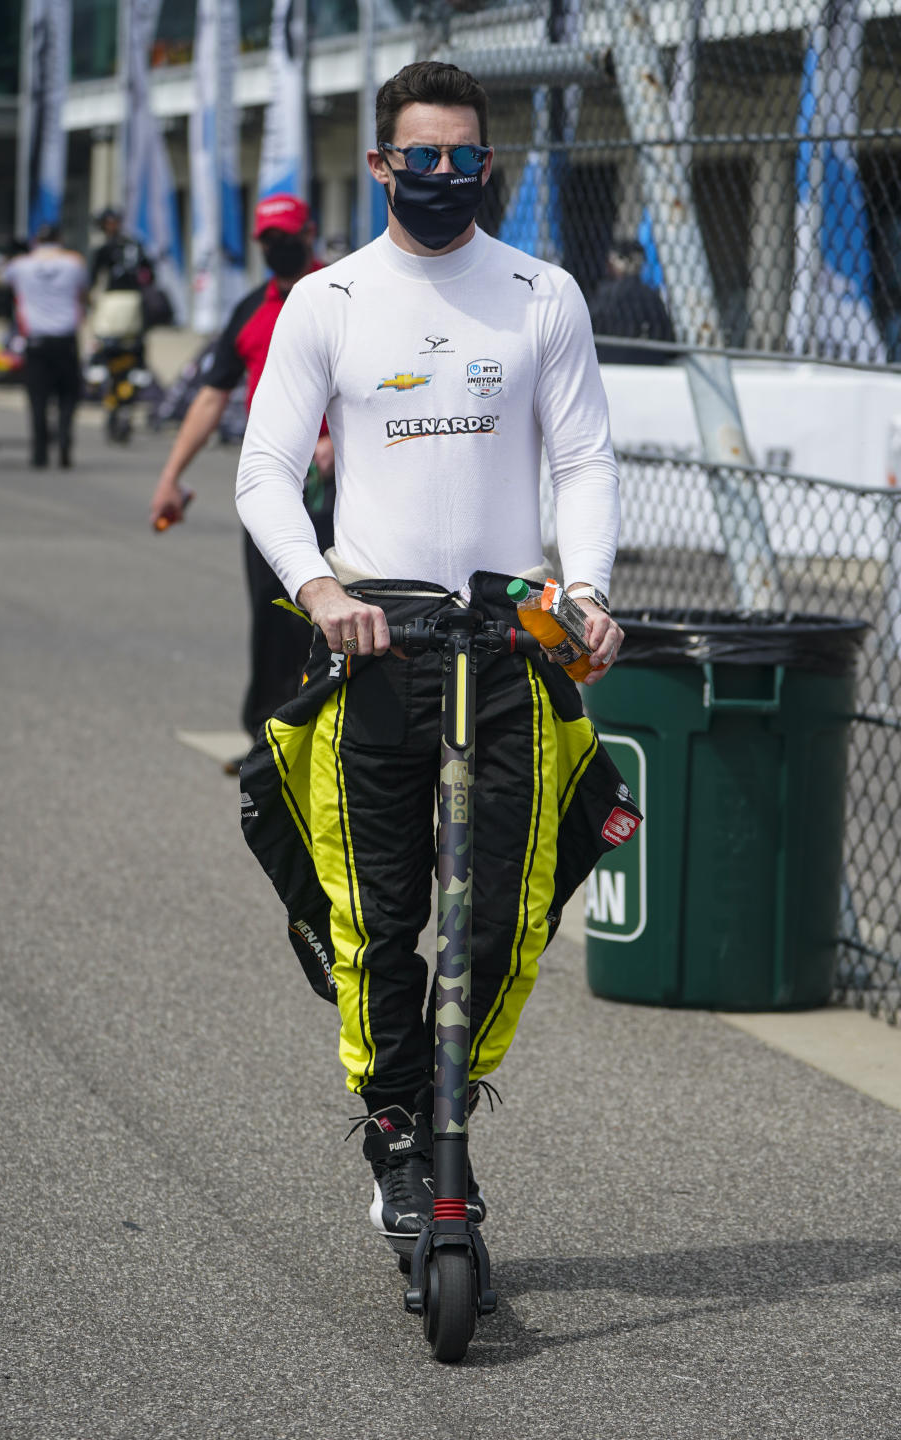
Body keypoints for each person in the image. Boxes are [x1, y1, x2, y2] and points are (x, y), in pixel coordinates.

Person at [234, 61, 635, 1245]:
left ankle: (450, 1102)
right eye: (423, 157)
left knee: (508, 914)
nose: (445, 176)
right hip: (378, 650)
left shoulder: (540, 294)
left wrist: (592, 591)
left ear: (490, 164)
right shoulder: (332, 301)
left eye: (465, 157)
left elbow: (586, 463)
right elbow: (264, 470)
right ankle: (400, 1134)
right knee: (377, 913)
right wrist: (316, 587)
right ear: (381, 166)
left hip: (512, 650)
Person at [149, 194, 335, 755]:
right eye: (268, 240)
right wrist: (170, 476)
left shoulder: (344, 294)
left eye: (288, 236)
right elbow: (211, 398)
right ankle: (269, 740)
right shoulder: (252, 308)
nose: (279, 247)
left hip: (347, 490)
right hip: (275, 487)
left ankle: (332, 736)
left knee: (341, 612)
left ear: (312, 232)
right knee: (273, 614)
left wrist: (338, 442)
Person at [3, 225, 88, 468]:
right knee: (68, 396)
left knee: (38, 399)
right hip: (66, 339)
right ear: (60, 239)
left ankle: (39, 452)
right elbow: (82, 293)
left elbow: (2, 281)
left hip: (36, 340)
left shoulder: (21, 265)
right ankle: (63, 440)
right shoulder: (74, 262)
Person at [588, 238, 676, 365]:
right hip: (646, 362)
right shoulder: (650, 295)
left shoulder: (604, 294)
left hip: (604, 360)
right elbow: (668, 338)